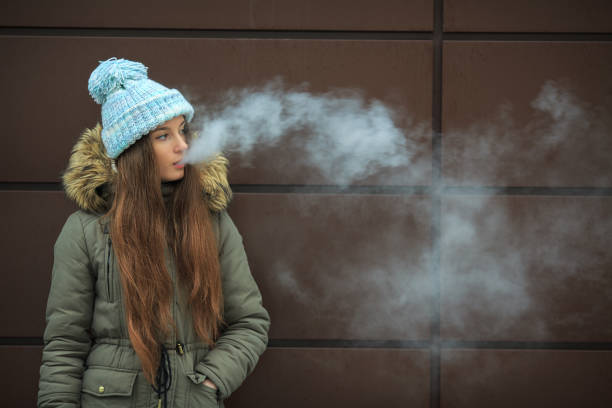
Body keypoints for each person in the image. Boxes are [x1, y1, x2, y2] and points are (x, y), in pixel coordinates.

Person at [38, 57, 270, 407]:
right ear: (134, 151)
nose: (182, 145)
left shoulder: (211, 222)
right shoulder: (86, 231)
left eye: (182, 131)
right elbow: (65, 344)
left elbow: (250, 323)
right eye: (164, 135)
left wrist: (208, 384)